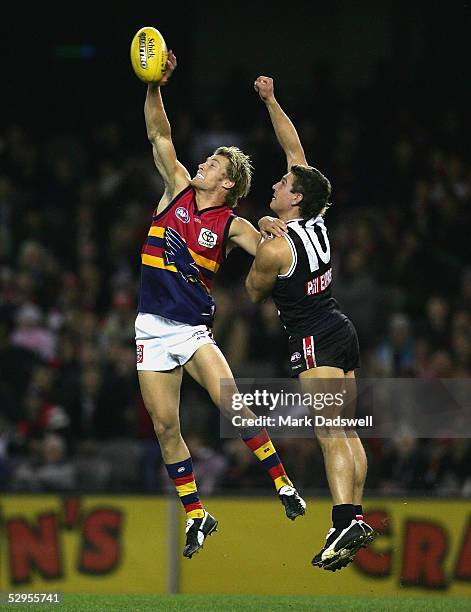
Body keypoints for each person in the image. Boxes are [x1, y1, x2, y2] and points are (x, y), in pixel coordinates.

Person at [135, 53, 305, 559]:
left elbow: (275, 255)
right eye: (205, 161)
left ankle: (283, 484)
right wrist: (152, 87)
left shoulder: (232, 226)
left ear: (227, 183)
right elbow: (158, 135)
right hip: (149, 328)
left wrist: (281, 232)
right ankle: (197, 515)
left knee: (232, 403)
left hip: (191, 331)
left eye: (214, 164)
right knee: (167, 428)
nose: (203, 163)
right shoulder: (177, 191)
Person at [246, 76, 376, 571]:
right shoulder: (316, 219)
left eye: (282, 184)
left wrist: (260, 235)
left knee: (329, 433)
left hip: (313, 337)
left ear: (296, 198)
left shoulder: (279, 245)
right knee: (346, 430)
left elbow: (253, 292)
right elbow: (293, 146)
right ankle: (353, 516)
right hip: (341, 328)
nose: (277, 184)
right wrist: (273, 101)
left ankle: (344, 519)